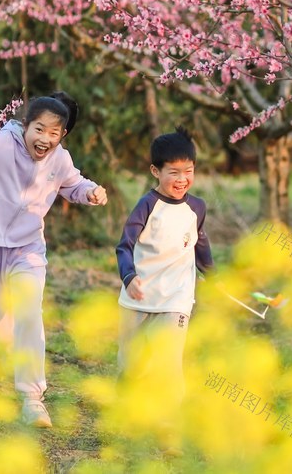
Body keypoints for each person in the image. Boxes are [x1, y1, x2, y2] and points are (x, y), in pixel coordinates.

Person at [0, 92, 107, 428]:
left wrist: (90, 192)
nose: (45, 139)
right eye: (39, 129)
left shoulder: (59, 159)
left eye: (54, 133)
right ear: (25, 125)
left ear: (62, 136)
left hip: (28, 248)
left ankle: (32, 398)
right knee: (0, 328)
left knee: (29, 312)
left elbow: (73, 183)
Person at [114, 126, 214, 409]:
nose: (182, 179)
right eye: (174, 172)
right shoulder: (146, 206)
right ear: (155, 171)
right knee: (131, 363)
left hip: (176, 299)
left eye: (189, 171)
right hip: (138, 297)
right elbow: (124, 246)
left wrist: (215, 278)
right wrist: (129, 277)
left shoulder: (197, 207)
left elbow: (201, 245)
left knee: (169, 361)